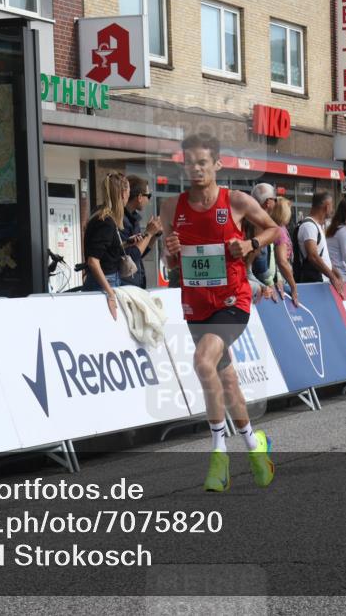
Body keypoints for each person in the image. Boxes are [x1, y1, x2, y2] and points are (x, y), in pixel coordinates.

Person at [159, 133, 279, 492]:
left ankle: (218, 452)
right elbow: (171, 262)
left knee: (202, 362)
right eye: (189, 163)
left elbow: (274, 228)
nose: (195, 169)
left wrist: (250, 243)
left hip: (232, 301)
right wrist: (171, 251)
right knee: (226, 381)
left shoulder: (237, 201)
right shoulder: (170, 207)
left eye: (202, 163)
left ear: (216, 165)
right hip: (195, 303)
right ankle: (254, 446)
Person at [83, 172, 129, 318]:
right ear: (122, 194)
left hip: (102, 281)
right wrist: (110, 294)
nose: (129, 195)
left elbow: (105, 253)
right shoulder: (106, 222)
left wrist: (127, 243)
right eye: (128, 191)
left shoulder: (99, 217)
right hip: (105, 282)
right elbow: (93, 261)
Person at [296, 191, 345, 294]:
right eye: (332, 206)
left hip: (322, 281)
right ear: (327, 206)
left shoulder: (317, 226)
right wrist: (333, 277)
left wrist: (336, 273)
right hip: (315, 283)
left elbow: (322, 255)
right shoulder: (309, 226)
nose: (332, 210)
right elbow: (313, 256)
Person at [120, 175, 162, 288]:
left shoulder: (133, 219)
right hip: (125, 284)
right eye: (148, 196)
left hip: (135, 282)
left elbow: (140, 253)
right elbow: (132, 256)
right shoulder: (121, 220)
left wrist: (154, 235)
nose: (149, 200)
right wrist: (149, 233)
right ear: (139, 197)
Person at [269, 198, 300, 307]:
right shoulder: (280, 231)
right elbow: (282, 261)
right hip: (282, 279)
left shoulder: (278, 228)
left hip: (280, 277)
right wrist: (293, 287)